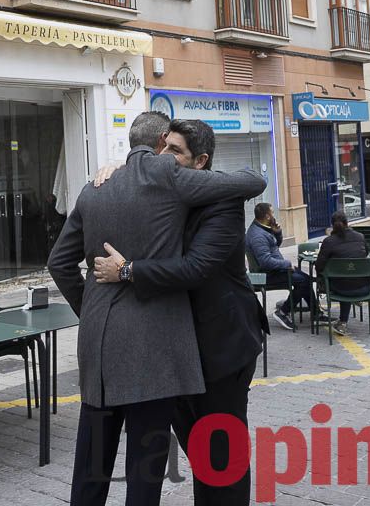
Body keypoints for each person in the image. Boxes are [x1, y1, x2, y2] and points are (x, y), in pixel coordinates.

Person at [47, 111, 265, 506]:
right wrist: (127, 166)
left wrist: (125, 271)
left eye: (175, 151)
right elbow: (62, 261)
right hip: (168, 349)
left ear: (201, 162)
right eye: (164, 148)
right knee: (190, 455)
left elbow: (196, 267)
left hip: (220, 347)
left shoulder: (220, 199)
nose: (164, 157)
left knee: (221, 455)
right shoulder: (150, 182)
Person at [245, 203, 321, 330]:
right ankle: (283, 312)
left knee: (305, 278)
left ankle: (316, 313)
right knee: (303, 281)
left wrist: (278, 233)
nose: (274, 215)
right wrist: (286, 264)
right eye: (272, 212)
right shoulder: (257, 236)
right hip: (265, 275)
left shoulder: (262, 228)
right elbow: (265, 261)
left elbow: (274, 246)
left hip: (274, 270)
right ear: (267, 216)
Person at [313, 211, 369, 336]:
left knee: (342, 280)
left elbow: (319, 266)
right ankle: (344, 319)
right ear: (347, 222)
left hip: (341, 289)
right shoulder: (360, 237)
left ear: (332, 225)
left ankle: (342, 322)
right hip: (364, 288)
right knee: (347, 277)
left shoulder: (329, 241)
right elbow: (365, 254)